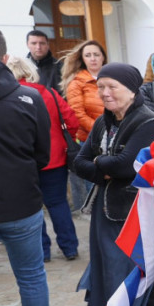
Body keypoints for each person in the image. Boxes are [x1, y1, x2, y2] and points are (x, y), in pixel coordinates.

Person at [72, 63, 154, 306]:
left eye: (112, 86)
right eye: (101, 87)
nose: (105, 93)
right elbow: (78, 161)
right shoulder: (104, 121)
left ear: (131, 88)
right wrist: (106, 166)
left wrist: (101, 165)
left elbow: (128, 166)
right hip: (106, 211)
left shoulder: (148, 122)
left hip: (136, 213)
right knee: (110, 274)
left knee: (137, 274)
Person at [0, 30, 55, 306]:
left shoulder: (29, 98)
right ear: (6, 58)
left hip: (21, 203)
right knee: (31, 275)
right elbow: (41, 155)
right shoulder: (29, 98)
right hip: (21, 202)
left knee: (32, 274)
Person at [7, 56, 81, 262]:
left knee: (33, 208)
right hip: (54, 159)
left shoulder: (7, 97)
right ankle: (70, 248)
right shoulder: (49, 93)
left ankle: (43, 251)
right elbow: (71, 121)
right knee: (58, 204)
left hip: (23, 162)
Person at [61, 40, 107, 210]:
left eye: (96, 54)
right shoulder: (77, 83)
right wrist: (103, 131)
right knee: (94, 188)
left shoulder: (112, 76)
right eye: (88, 55)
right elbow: (78, 114)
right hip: (91, 140)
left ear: (103, 57)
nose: (93, 58)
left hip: (116, 138)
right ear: (82, 59)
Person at [26, 30, 63, 94]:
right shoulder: (22, 68)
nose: (38, 47)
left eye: (42, 43)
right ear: (27, 45)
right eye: (34, 43)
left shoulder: (61, 67)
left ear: (48, 45)